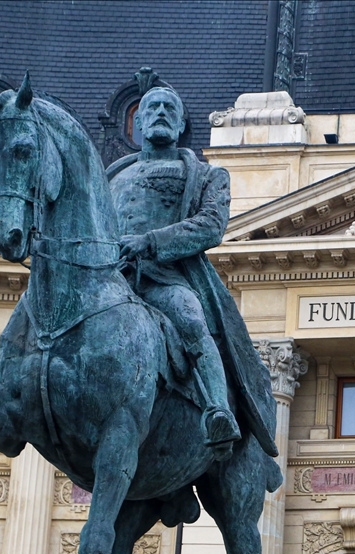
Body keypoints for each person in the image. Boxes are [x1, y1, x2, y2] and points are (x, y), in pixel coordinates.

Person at [107, 86, 244, 451]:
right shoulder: (112, 175)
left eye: (170, 107)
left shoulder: (205, 175)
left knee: (191, 318)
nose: (162, 112)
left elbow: (210, 226)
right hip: (106, 277)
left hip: (162, 278)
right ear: (138, 121)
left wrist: (150, 241)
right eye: (153, 107)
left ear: (182, 123)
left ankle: (217, 409)